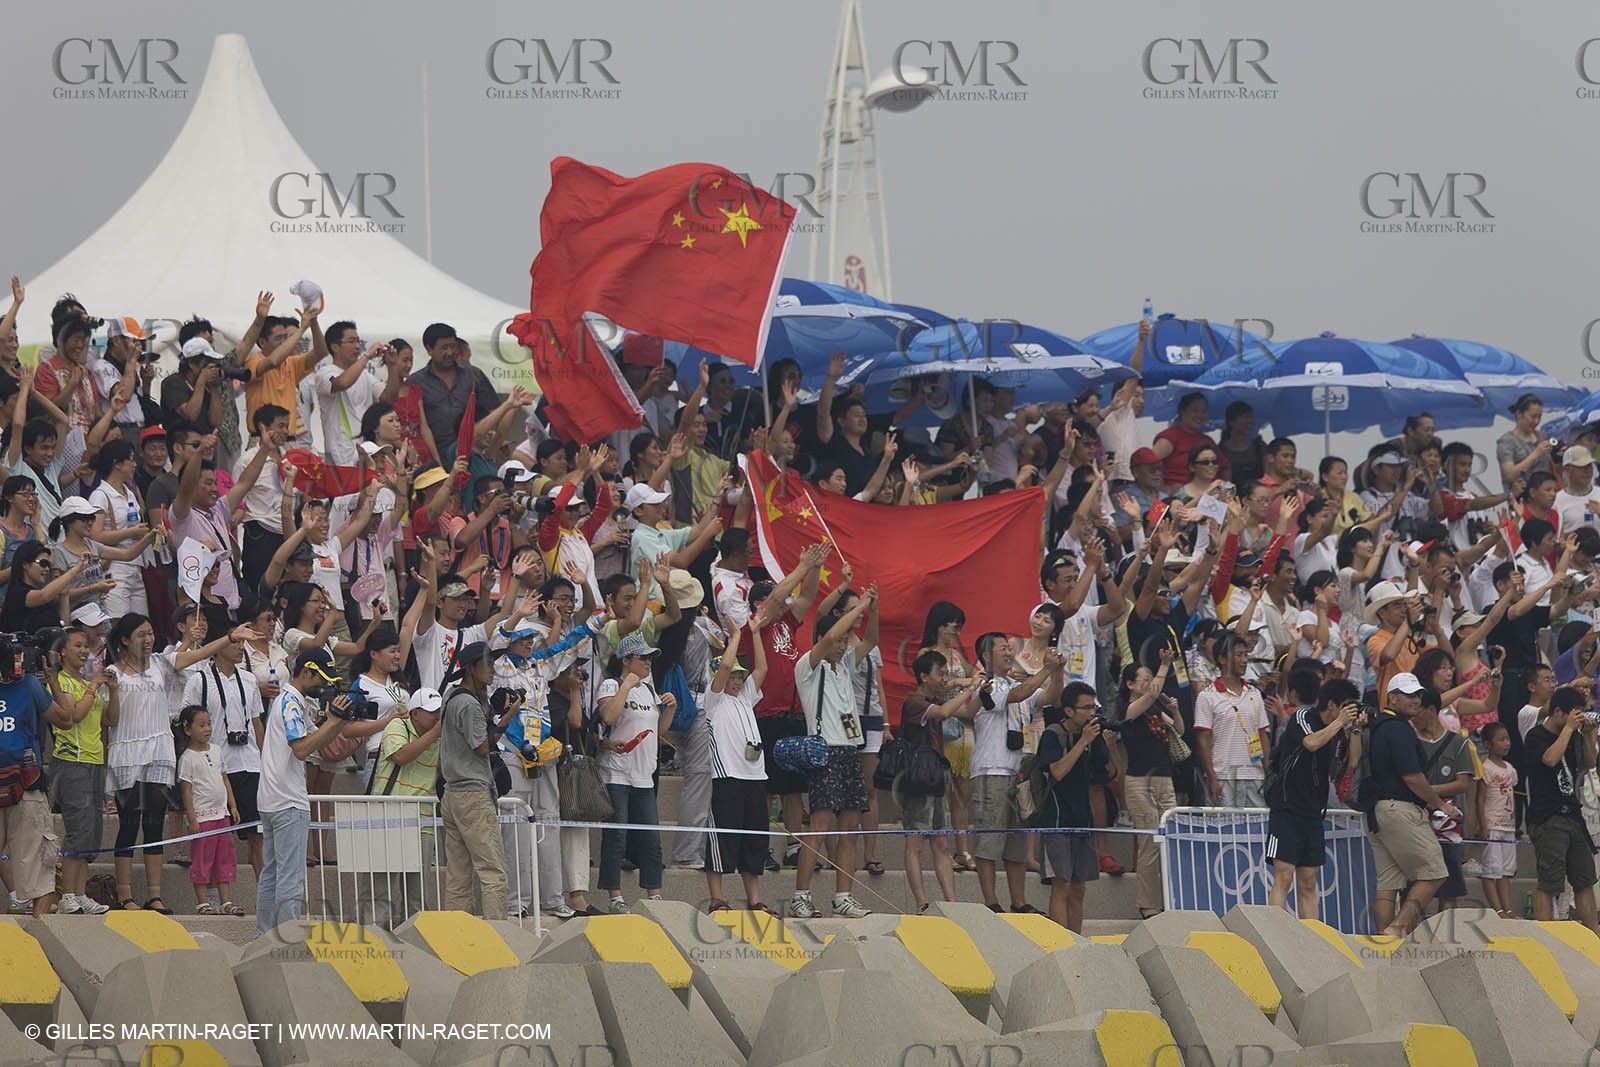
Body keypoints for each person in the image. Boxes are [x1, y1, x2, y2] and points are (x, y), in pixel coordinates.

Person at [256, 647, 361, 934]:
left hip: (271, 798)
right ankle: (287, 938)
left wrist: (333, 721)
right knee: (290, 878)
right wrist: (336, 721)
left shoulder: (287, 702)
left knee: (272, 874)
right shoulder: (291, 702)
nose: (324, 685)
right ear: (305, 672)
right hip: (288, 801)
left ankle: (264, 937)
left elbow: (314, 738)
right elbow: (302, 749)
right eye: (321, 678)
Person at [788, 588, 878, 919]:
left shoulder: (845, 667)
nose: (843, 645)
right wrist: (863, 604)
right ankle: (801, 895)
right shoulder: (808, 666)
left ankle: (843, 897)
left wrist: (874, 608)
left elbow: (870, 639)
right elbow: (831, 637)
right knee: (821, 825)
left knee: (850, 827)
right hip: (824, 750)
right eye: (839, 640)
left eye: (844, 641)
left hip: (849, 750)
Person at [969, 632, 1063, 914]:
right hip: (990, 770)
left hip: (1019, 772)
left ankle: (1019, 902)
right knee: (988, 839)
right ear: (986, 656)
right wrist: (1046, 668)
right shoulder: (986, 686)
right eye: (1002, 649)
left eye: (1010, 649)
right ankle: (990, 901)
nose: (1009, 653)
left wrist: (1056, 671)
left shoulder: (1016, 683)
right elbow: (1019, 695)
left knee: (1017, 842)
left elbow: (1050, 697)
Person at [1364, 672, 1463, 938]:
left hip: (1377, 810)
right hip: (1400, 810)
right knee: (1435, 872)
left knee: (1388, 883)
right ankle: (1396, 930)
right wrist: (1439, 804)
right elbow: (1412, 776)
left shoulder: (1377, 726)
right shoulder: (1398, 729)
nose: (1416, 700)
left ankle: (1383, 938)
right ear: (1392, 697)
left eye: (1418, 695)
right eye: (1409, 695)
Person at [1265, 677, 1360, 920]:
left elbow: (1352, 762)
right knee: (1284, 875)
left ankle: (1312, 940)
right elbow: (1311, 743)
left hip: (1313, 813)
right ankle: (1275, 935)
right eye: (1347, 707)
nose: (1349, 712)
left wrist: (1356, 728)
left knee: (1308, 882)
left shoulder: (1338, 732)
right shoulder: (1303, 717)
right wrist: (1340, 722)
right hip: (1287, 808)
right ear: (1331, 704)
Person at [596, 633, 677, 912]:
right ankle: (615, 897)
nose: (649, 663)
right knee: (616, 837)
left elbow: (659, 731)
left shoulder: (649, 690)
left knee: (651, 839)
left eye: (651, 658)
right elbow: (609, 717)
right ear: (626, 660)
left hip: (644, 773)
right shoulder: (611, 684)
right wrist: (627, 685)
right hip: (617, 773)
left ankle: (654, 895)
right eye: (643, 658)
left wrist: (670, 709)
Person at [900, 649, 982, 913]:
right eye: (941, 673)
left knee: (942, 842)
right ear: (924, 676)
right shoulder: (915, 702)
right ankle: (921, 902)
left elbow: (968, 710)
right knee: (915, 843)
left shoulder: (934, 699)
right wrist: (968, 686)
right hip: (916, 779)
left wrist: (981, 692)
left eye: (947, 673)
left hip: (936, 775)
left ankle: (951, 903)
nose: (945, 678)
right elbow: (946, 712)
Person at [46, 627, 116, 915]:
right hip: (71, 762)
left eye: (86, 646)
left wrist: (113, 690)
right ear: (62, 652)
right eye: (78, 645)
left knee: (92, 832)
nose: (85, 650)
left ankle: (82, 893)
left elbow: (110, 720)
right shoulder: (58, 681)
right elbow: (72, 716)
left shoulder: (89, 683)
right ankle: (68, 896)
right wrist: (94, 686)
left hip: (93, 760)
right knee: (78, 831)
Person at [702, 622, 770, 912]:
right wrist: (737, 636)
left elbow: (763, 670)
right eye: (733, 676)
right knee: (722, 840)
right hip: (727, 776)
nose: (738, 680)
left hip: (755, 776)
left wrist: (754, 634)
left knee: (754, 839)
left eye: (740, 676)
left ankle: (754, 900)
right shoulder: (713, 701)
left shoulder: (745, 699)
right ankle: (717, 898)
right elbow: (726, 664)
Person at [1523, 686, 1600, 933]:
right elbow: (1549, 759)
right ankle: (1547, 940)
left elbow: (1589, 763)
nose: (1576, 721)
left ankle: (1594, 941)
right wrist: (1568, 729)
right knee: (1550, 883)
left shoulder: (1575, 736)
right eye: (1573, 715)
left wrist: (1589, 734)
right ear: (1558, 712)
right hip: (1548, 816)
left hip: (1573, 816)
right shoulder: (1536, 736)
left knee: (1584, 881)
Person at [366, 687, 444, 928]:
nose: (436, 718)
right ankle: (375, 941)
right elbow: (400, 756)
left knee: (418, 894)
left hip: (423, 822)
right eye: (432, 713)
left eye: (439, 713)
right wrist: (435, 734)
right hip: (389, 818)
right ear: (415, 713)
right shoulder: (396, 726)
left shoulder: (438, 733)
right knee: (381, 889)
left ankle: (415, 948)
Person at [1036, 683, 1111, 932]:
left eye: (1094, 707)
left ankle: (1076, 941)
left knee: (1079, 888)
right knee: (1062, 885)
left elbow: (1108, 773)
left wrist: (1107, 742)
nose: (1092, 713)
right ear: (1069, 711)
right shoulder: (1052, 735)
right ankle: (1061, 944)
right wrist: (1083, 742)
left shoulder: (1092, 735)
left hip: (1082, 819)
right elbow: (1056, 772)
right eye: (1086, 707)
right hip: (1056, 820)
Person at [175, 705, 242, 915]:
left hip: (222, 816)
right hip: (203, 818)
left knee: (224, 858)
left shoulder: (217, 750)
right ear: (188, 730)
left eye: (209, 724)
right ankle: (203, 902)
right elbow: (186, 792)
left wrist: (232, 805)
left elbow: (225, 779)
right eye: (201, 725)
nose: (207, 729)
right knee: (202, 860)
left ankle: (226, 901)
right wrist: (192, 819)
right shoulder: (187, 758)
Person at [1192, 634, 1273, 807]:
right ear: (1222, 659)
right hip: (1223, 776)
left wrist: (1268, 773)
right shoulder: (1207, 696)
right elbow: (1202, 740)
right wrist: (1212, 778)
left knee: (1256, 829)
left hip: (1254, 776)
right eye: (1238, 655)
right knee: (1223, 830)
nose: (1244, 660)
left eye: (1246, 655)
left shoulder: (1254, 693)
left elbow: (1262, 736)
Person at [409, 324, 503, 467]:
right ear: (429, 349)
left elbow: (494, 412)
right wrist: (435, 464)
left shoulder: (474, 375)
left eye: (453, 346)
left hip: (473, 459)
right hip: (436, 462)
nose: (450, 352)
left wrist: (489, 450)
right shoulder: (415, 382)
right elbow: (418, 428)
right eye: (444, 348)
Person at [1474, 722, 1519, 918]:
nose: (1506, 743)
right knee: (1491, 870)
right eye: (1501, 739)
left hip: (1508, 825)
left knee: (1505, 871)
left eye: (1507, 739)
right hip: (1492, 825)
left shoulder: (1510, 768)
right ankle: (1497, 909)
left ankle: (1507, 909)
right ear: (1488, 744)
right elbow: (1480, 798)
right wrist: (1483, 824)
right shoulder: (1486, 767)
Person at [1498, 393, 1552, 494]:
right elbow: (1509, 475)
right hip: (1521, 502)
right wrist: (1536, 454)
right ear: (1519, 414)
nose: (1536, 421)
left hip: (1545, 500)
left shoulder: (1540, 437)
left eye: (1539, 417)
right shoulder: (1507, 441)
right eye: (1533, 416)